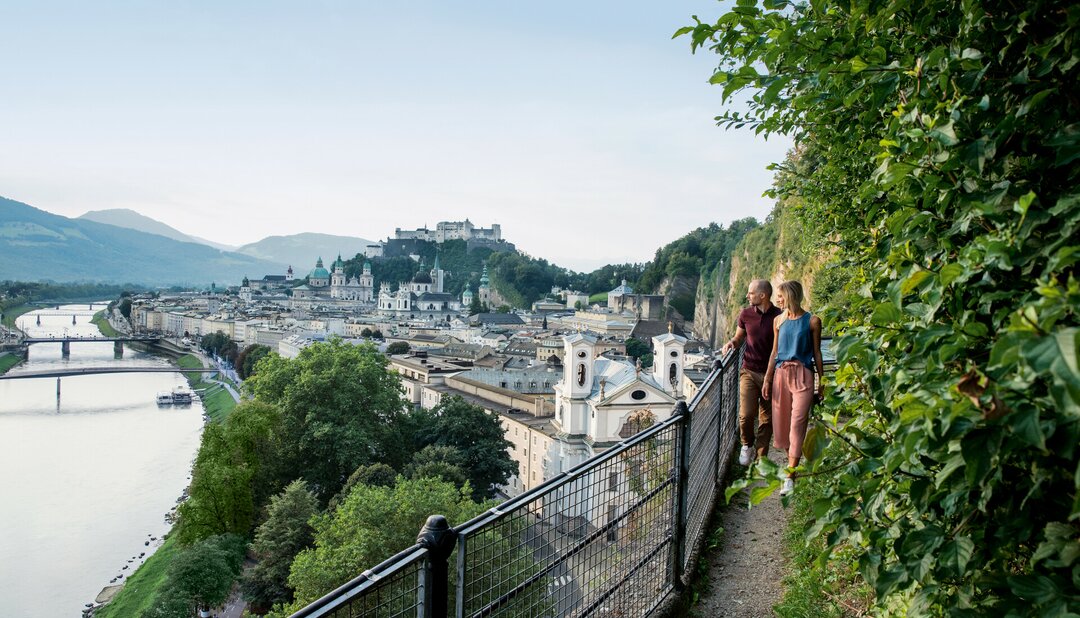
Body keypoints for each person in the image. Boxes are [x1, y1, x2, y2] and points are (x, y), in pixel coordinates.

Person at [762, 280, 823, 496]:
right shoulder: (778, 320)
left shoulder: (813, 321)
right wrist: (768, 378)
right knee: (781, 427)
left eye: (780, 296)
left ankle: (790, 475)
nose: (777, 300)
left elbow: (817, 353)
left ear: (790, 295)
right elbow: (774, 351)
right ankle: (793, 461)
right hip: (781, 375)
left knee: (798, 423)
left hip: (803, 374)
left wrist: (821, 381)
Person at [722, 279, 782, 466]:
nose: (747, 296)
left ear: (762, 295)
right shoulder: (746, 314)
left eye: (751, 293)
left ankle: (761, 456)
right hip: (748, 370)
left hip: (772, 373)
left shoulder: (780, 316)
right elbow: (739, 337)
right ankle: (747, 444)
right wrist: (732, 343)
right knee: (746, 414)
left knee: (767, 418)